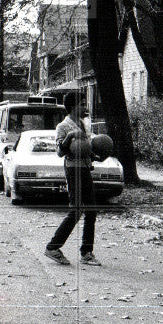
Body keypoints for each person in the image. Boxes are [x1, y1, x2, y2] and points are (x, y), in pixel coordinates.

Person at [45, 91, 102, 266]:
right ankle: (53, 248)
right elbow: (60, 152)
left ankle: (86, 252)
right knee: (77, 210)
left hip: (84, 168)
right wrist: (69, 137)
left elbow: (83, 149)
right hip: (73, 170)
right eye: (82, 104)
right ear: (72, 107)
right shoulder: (63, 126)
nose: (85, 107)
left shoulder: (83, 124)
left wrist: (95, 155)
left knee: (91, 210)